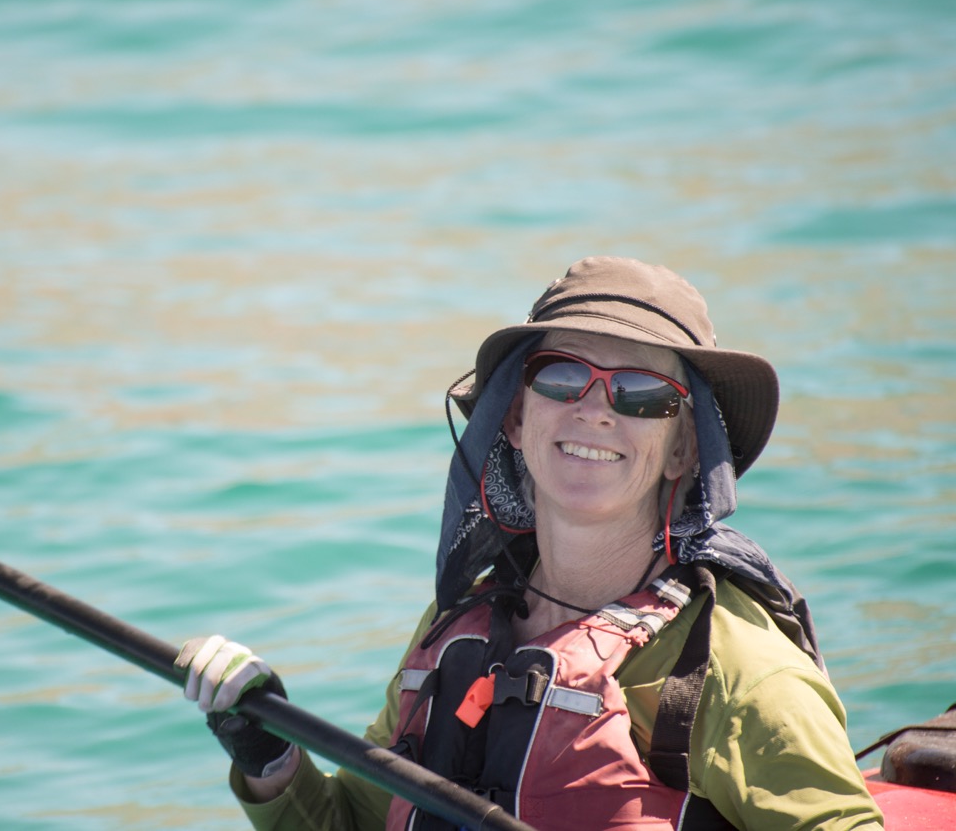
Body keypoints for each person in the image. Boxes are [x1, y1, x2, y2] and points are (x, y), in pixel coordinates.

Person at [177, 257, 886, 829]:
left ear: (682, 452)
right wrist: (268, 755)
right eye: (563, 377)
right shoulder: (458, 632)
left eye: (642, 395)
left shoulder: (736, 668)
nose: (595, 410)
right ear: (515, 418)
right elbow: (358, 823)